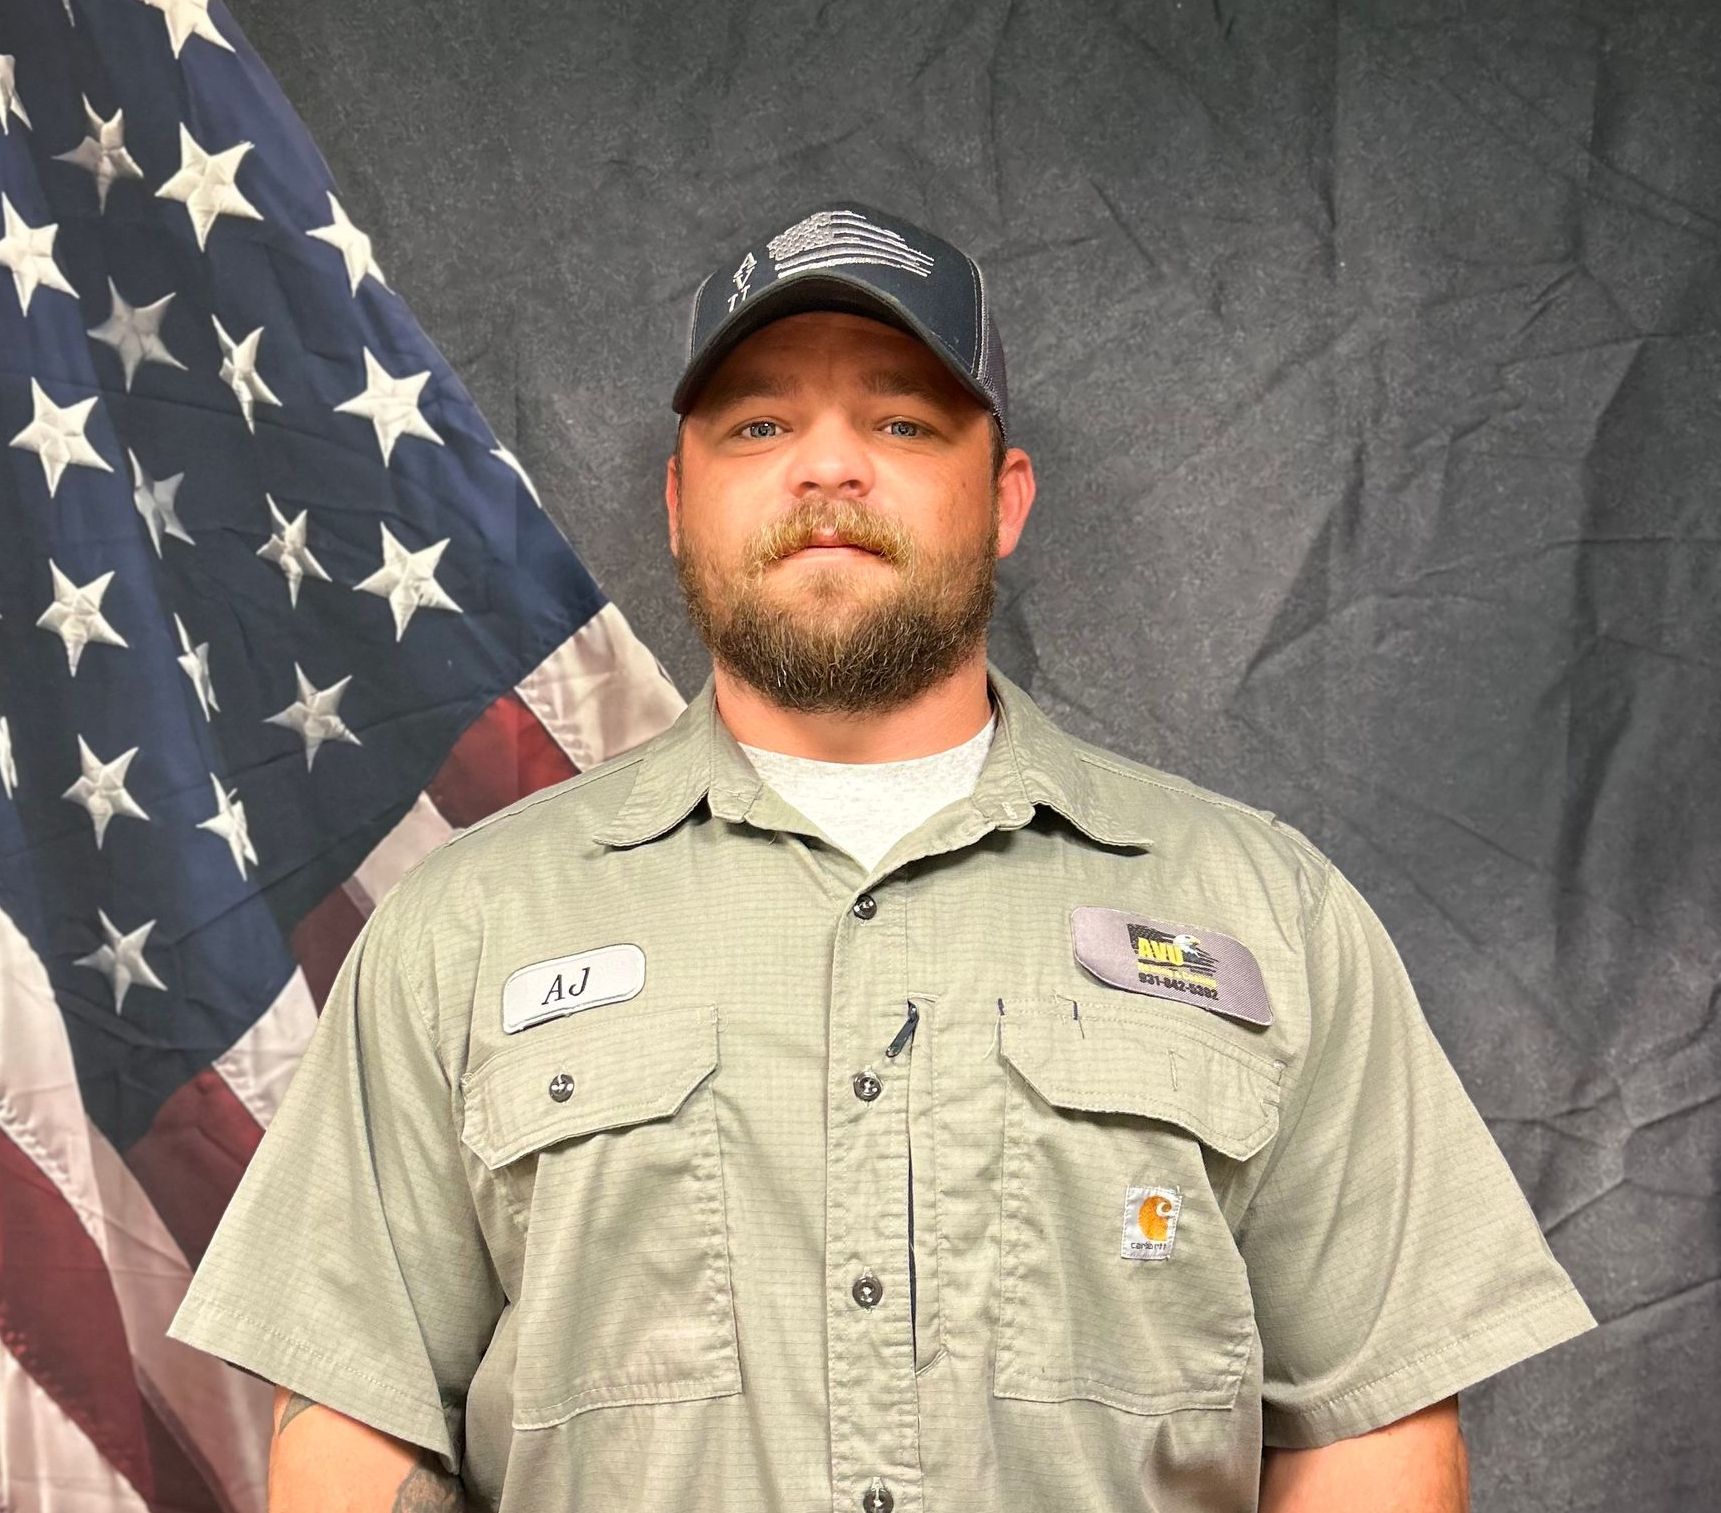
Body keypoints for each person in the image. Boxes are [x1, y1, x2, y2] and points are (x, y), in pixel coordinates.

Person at [171, 201, 1596, 1513]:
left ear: (1006, 498)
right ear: (676, 502)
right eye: (757, 426)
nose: (830, 464)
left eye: (905, 423)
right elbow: (356, 1431)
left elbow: (1369, 1425)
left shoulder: (1261, 913)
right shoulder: (464, 929)